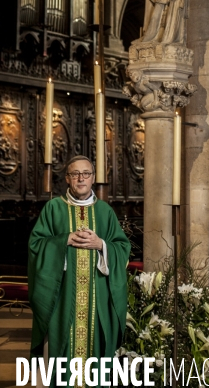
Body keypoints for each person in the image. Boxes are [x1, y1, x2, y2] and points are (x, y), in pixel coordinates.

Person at [28, 155, 130, 386]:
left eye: (86, 173)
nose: (81, 178)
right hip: (63, 297)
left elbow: (122, 247)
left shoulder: (105, 212)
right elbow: (36, 245)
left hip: (97, 300)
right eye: (75, 174)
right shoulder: (53, 209)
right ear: (67, 179)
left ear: (93, 178)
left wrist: (102, 245)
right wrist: (63, 241)